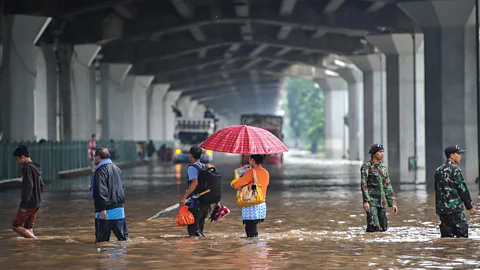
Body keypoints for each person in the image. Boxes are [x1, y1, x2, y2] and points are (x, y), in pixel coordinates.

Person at [434, 144, 476, 238]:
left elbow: (437, 190)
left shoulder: (438, 170)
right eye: (458, 154)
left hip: (443, 211)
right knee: (462, 238)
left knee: (447, 239)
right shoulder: (455, 170)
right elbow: (462, 189)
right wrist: (470, 207)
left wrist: (439, 209)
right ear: (452, 155)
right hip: (455, 210)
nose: (460, 156)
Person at [90, 147, 130, 243]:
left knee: (101, 243)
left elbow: (101, 189)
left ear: (99, 157)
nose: (94, 159)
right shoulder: (117, 169)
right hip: (120, 211)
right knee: (124, 240)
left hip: (105, 213)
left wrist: (103, 208)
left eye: (95, 157)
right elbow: (122, 188)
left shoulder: (100, 171)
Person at [360, 144, 398, 232]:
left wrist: (393, 203)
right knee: (373, 226)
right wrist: (366, 201)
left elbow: (387, 186)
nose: (382, 154)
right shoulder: (367, 167)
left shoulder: (383, 168)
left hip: (381, 202)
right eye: (380, 152)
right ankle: (371, 244)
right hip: (371, 202)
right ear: (374, 153)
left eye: (383, 152)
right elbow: (363, 184)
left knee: (384, 228)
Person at [232, 154, 270, 238]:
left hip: (251, 205)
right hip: (261, 205)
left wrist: (240, 174)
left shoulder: (250, 172)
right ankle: (257, 248)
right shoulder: (266, 172)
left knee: (250, 232)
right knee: (253, 230)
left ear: (252, 160)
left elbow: (236, 186)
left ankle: (253, 249)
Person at [11, 145, 44, 239]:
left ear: (22, 157)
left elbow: (28, 186)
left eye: (18, 159)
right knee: (28, 228)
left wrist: (23, 205)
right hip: (37, 203)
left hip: (29, 204)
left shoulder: (27, 167)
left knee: (16, 226)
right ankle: (31, 249)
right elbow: (42, 185)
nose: (18, 162)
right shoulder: (36, 167)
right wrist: (38, 198)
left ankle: (35, 241)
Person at [180, 146, 210, 237]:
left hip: (196, 204)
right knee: (199, 231)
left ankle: (195, 250)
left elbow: (194, 183)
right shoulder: (205, 166)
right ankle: (200, 249)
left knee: (193, 233)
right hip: (205, 204)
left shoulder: (192, 168)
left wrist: (184, 197)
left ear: (190, 155)